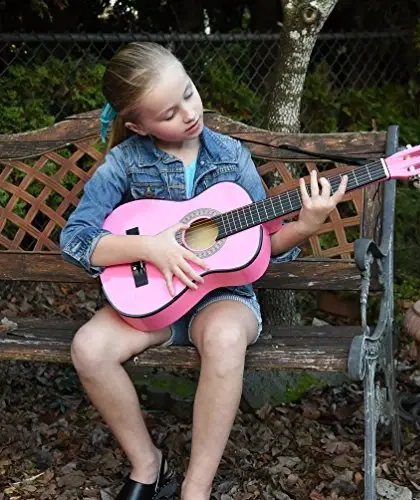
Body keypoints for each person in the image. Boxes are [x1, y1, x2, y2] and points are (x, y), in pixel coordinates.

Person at [59, 42, 347, 500]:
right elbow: (76, 239)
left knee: (225, 338)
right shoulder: (125, 162)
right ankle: (148, 464)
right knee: (89, 348)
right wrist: (150, 247)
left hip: (222, 298)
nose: (190, 114)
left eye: (189, 93)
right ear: (138, 126)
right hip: (155, 302)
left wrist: (306, 225)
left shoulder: (232, 157)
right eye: (169, 113)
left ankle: (197, 487)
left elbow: (267, 245)